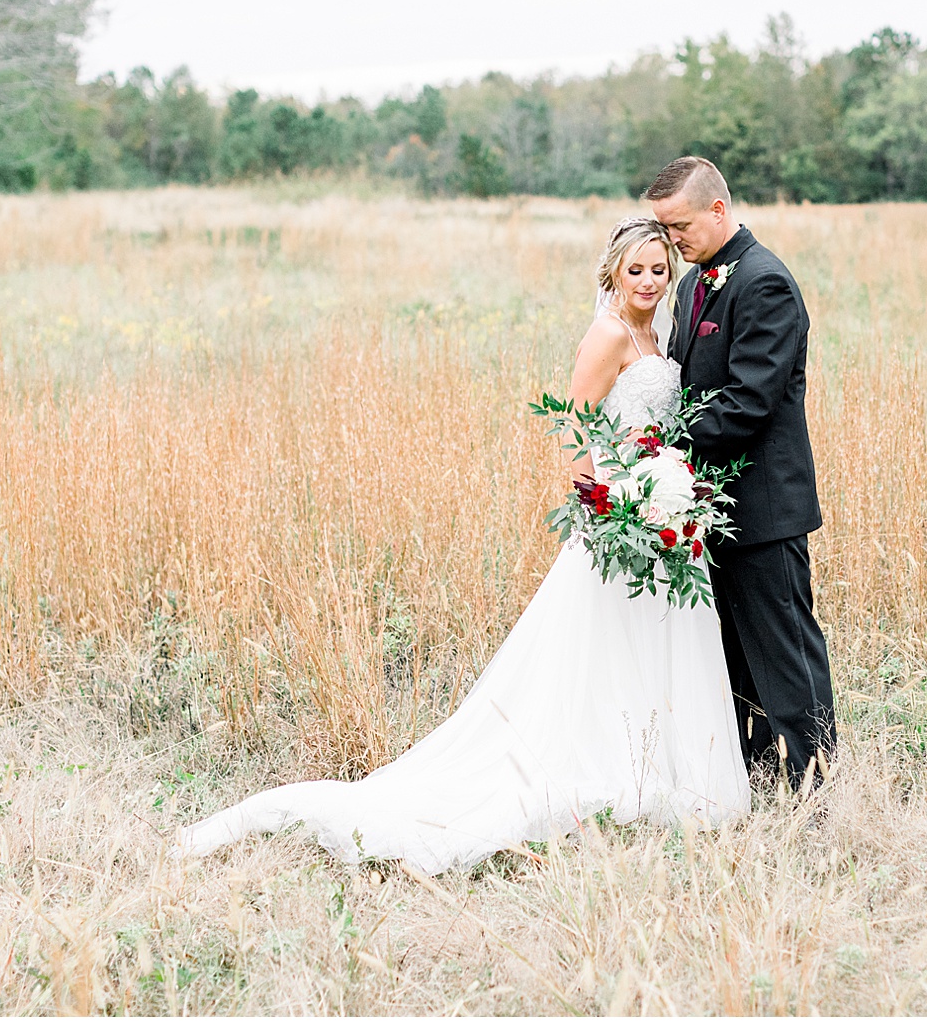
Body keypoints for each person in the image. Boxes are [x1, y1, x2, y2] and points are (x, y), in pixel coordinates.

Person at [171, 218, 750, 875]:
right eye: (636, 270)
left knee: (653, 641)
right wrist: (605, 508)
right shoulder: (609, 333)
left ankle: (656, 765)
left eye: (658, 270)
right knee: (601, 651)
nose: (648, 282)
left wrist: (669, 492)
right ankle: (598, 767)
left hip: (664, 517)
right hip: (621, 519)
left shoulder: (660, 331)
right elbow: (580, 429)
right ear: (612, 272)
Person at [647, 156, 837, 790]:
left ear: (718, 210)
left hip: (763, 505)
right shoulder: (692, 286)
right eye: (664, 228)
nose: (672, 240)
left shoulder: (764, 284)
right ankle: (756, 777)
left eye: (678, 226)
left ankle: (811, 784)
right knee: (732, 652)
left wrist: (665, 443)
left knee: (783, 649)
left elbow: (749, 400)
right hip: (705, 503)